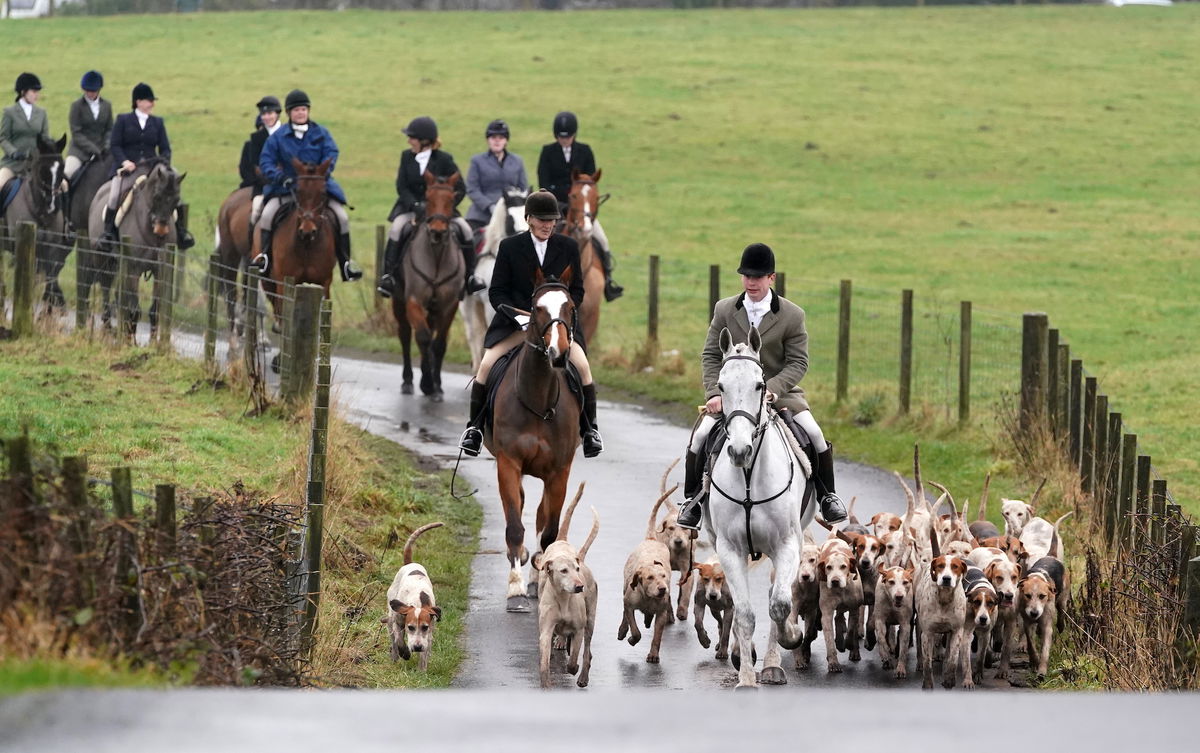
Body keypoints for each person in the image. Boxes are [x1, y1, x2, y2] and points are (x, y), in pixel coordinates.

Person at [677, 243, 847, 530]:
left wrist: (773, 388)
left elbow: (798, 362)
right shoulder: (725, 309)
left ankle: (828, 496)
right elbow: (710, 355)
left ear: (772, 278)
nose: (751, 282)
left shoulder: (793, 315)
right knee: (700, 436)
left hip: (779, 394)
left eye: (758, 277)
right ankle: (692, 501)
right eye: (746, 276)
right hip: (733, 395)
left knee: (815, 435)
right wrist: (714, 393)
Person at [457, 189, 604, 459]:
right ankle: (475, 429)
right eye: (541, 220)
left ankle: (589, 430)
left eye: (552, 220)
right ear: (528, 219)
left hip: (557, 325)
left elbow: (579, 291)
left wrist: (562, 313)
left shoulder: (568, 247)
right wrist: (520, 316)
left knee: (583, 368)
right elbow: (497, 292)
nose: (548, 225)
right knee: (486, 366)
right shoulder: (510, 247)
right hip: (517, 327)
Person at [253, 89, 361, 282]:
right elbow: (266, 162)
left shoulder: (321, 133)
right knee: (268, 215)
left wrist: (320, 174)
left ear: (308, 111)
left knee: (342, 218)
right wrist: (281, 177)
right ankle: (265, 259)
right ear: (288, 113)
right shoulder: (278, 137)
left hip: (317, 190)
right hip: (287, 189)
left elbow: (331, 154)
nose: (300, 113)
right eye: (296, 110)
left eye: (303, 109)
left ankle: (346, 264)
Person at [377, 116, 480, 298]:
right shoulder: (406, 156)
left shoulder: (445, 159)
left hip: (441, 213)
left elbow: (461, 188)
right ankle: (388, 277)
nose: (409, 141)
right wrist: (415, 205)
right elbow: (402, 186)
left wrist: (446, 208)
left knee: (466, 230)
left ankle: (471, 277)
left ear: (424, 141)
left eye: (412, 137)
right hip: (411, 209)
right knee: (396, 229)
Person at [536, 110, 623, 302]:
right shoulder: (548, 152)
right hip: (556, 209)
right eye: (561, 137)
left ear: (574, 135)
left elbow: (591, 182)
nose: (564, 141)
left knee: (603, 241)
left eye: (567, 137)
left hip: (582, 211)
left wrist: (584, 208)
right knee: (540, 240)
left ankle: (608, 282)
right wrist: (560, 205)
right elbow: (543, 182)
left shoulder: (585, 151)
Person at [99, 82, 194, 250]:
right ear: (138, 102)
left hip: (152, 170)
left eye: (152, 101)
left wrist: (163, 162)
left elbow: (165, 148)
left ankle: (181, 231)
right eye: (149, 100)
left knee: (173, 191)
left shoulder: (157, 122)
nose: (152, 104)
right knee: (114, 194)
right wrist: (125, 162)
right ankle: (108, 232)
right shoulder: (123, 120)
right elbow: (115, 145)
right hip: (129, 170)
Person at [465, 118, 528, 237]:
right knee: (468, 239)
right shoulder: (477, 161)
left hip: (512, 213)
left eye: (501, 138)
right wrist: (489, 206)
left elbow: (523, 189)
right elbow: (472, 189)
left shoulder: (517, 161)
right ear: (488, 140)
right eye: (493, 138)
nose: (497, 141)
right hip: (482, 215)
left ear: (506, 141)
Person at [0, 73, 50, 195]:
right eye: (33, 91)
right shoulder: (9, 113)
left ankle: (63, 214)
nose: (37, 95)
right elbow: (3, 137)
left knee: (62, 185)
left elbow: (45, 139)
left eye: (37, 92)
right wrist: (14, 152)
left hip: (35, 164)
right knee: (0, 184)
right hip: (13, 164)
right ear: (23, 92)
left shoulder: (42, 113)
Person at [240, 95, 282, 230]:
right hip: (264, 187)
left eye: (270, 113)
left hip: (289, 185)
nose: (266, 117)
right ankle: (257, 248)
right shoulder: (256, 138)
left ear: (277, 114)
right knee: (256, 212)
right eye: (263, 114)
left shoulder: (288, 133)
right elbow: (256, 167)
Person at [65, 70, 113, 180]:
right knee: (68, 173)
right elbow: (76, 133)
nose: (90, 94)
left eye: (93, 91)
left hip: (102, 152)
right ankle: (64, 197)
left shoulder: (107, 106)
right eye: (87, 91)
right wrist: (93, 149)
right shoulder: (76, 106)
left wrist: (106, 145)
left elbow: (109, 129)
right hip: (79, 152)